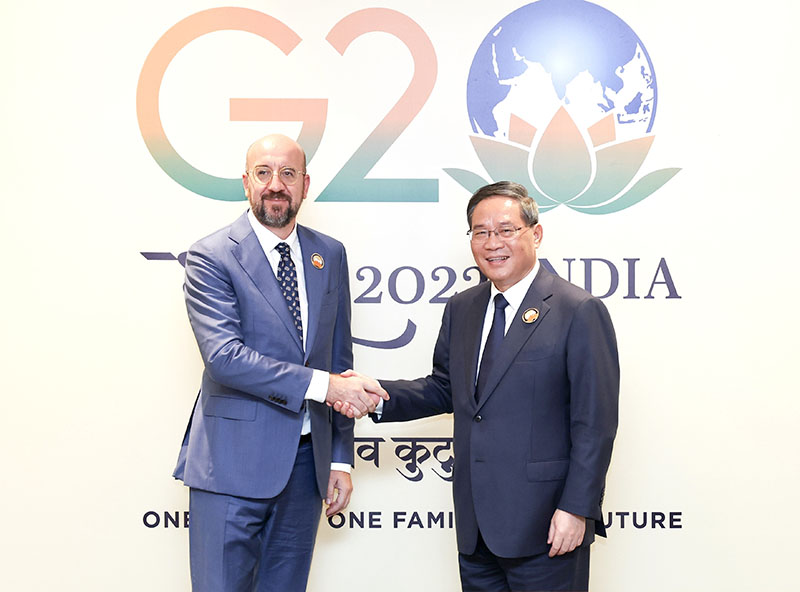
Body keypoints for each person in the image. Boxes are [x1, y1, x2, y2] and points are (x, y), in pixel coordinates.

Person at [340, 181, 619, 591]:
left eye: (506, 230)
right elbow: (444, 389)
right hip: (476, 529)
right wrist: (376, 394)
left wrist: (577, 509)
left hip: (548, 526)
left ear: (536, 234)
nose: (492, 243)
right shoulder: (463, 307)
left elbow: (595, 424)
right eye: (481, 232)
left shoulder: (577, 310)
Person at [173, 134, 388, 592]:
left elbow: (338, 360)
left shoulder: (329, 253)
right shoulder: (211, 255)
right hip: (230, 465)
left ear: (305, 185)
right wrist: (325, 386)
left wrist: (340, 458)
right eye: (264, 173)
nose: (276, 184)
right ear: (246, 182)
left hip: (306, 467)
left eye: (288, 174)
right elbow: (224, 358)